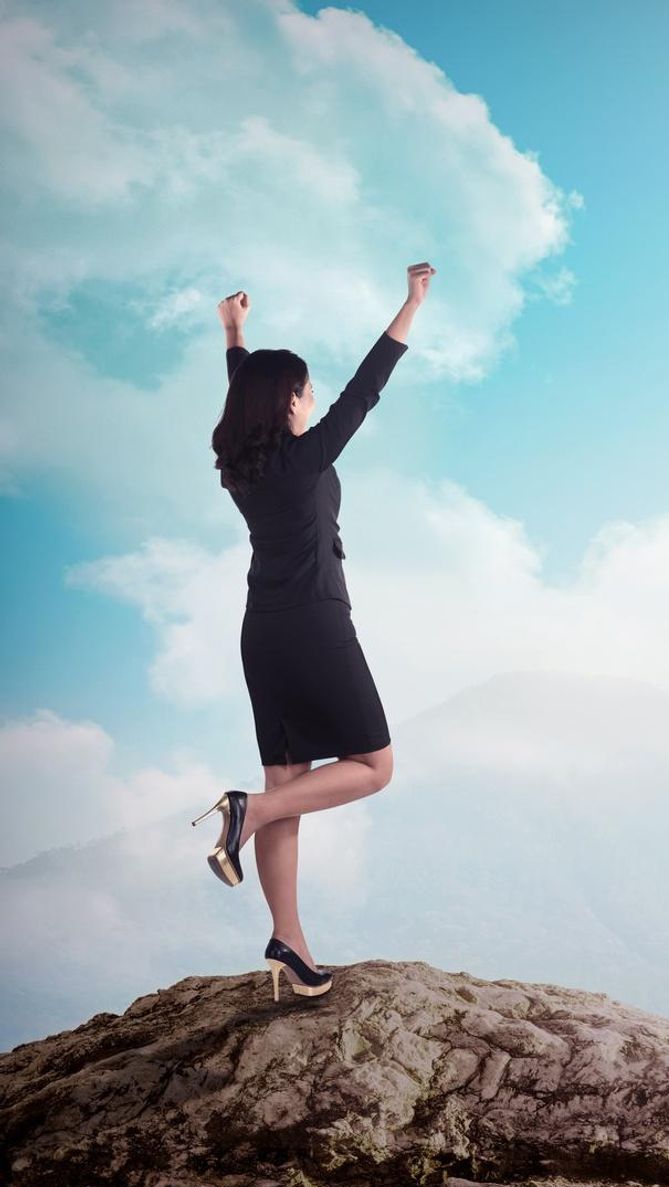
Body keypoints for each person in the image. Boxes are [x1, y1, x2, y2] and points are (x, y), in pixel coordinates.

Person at [191, 262, 436, 1002]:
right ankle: (247, 812)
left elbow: (246, 392)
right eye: (306, 388)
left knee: (289, 783)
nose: (315, 396)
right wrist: (411, 303)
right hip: (317, 627)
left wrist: (235, 336)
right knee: (373, 765)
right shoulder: (303, 457)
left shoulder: (243, 462)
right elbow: (368, 388)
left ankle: (288, 942)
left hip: (261, 633)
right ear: (292, 400)